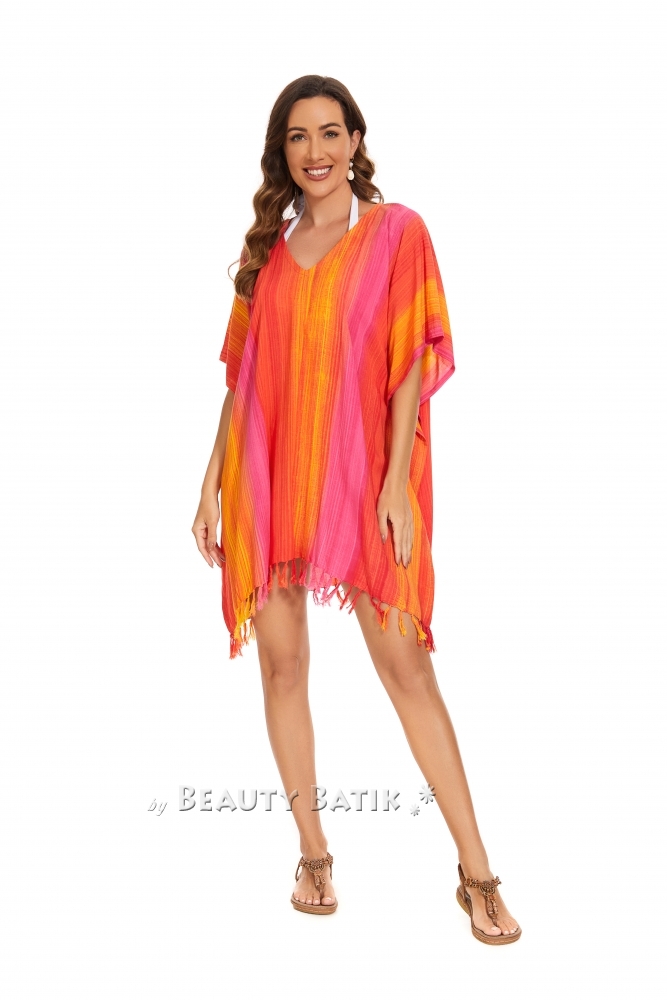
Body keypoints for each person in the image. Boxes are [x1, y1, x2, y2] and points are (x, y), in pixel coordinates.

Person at [192, 75, 521, 944]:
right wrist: (209, 482)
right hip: (266, 478)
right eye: (298, 137)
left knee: (406, 669)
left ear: (355, 140)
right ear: (282, 152)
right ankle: (312, 855)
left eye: (330, 132)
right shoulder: (265, 255)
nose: (316, 151)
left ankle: (476, 873)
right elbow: (242, 379)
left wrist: (394, 482)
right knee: (282, 667)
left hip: (363, 480)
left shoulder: (396, 232)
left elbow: (410, 359)